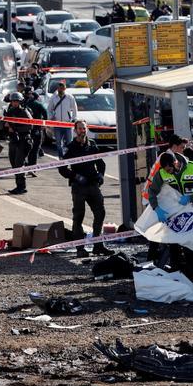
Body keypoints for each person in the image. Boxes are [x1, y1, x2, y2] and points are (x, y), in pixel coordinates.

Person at [59, 122, 111, 257]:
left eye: (84, 128)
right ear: (75, 131)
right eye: (80, 129)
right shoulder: (70, 147)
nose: (82, 131)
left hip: (93, 185)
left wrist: (100, 176)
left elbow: (100, 163)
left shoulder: (92, 144)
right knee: (78, 217)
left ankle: (98, 245)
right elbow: (62, 168)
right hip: (79, 187)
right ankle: (80, 248)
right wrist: (75, 176)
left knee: (100, 213)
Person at [4, 93, 33, 194]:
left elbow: (30, 126)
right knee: (13, 163)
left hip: (23, 141)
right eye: (13, 101)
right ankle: (18, 185)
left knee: (18, 164)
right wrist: (5, 123)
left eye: (16, 101)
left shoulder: (24, 112)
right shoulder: (10, 111)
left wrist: (15, 128)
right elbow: (1, 127)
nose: (14, 103)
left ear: (20, 102)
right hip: (13, 141)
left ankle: (21, 186)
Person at [46, 82, 79, 157]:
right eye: (59, 88)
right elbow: (49, 109)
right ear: (57, 88)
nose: (61, 89)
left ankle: (69, 157)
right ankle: (61, 158)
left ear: (65, 88)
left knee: (69, 143)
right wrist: (51, 117)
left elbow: (74, 109)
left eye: (62, 87)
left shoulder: (70, 97)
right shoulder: (53, 98)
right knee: (58, 144)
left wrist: (74, 119)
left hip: (67, 124)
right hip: (57, 124)